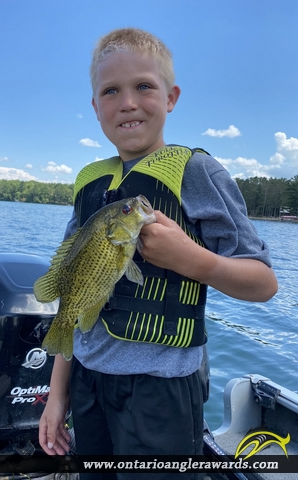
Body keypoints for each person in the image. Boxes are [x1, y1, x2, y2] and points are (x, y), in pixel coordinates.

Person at [38, 27, 278, 478]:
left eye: (143, 86)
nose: (127, 102)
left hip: (161, 391)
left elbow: (264, 283)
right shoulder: (90, 184)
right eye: (111, 91)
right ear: (95, 108)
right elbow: (70, 300)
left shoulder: (197, 172)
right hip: (88, 382)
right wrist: (57, 396)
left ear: (171, 97)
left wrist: (190, 258)